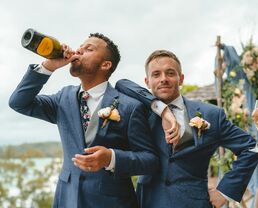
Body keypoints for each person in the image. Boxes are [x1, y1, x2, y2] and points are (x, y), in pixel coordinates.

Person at [9, 34, 179, 208]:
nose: (79, 50)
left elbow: (150, 160)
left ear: (106, 65)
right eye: (80, 47)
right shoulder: (63, 98)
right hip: (67, 200)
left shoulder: (130, 106)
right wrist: (49, 66)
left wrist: (111, 158)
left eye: (89, 49)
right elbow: (18, 103)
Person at [115, 49, 258, 208]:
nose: (163, 79)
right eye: (156, 74)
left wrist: (224, 192)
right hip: (148, 202)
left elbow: (251, 148)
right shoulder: (140, 112)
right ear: (147, 82)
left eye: (170, 73)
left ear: (181, 79)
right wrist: (163, 110)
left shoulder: (211, 114)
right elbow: (121, 84)